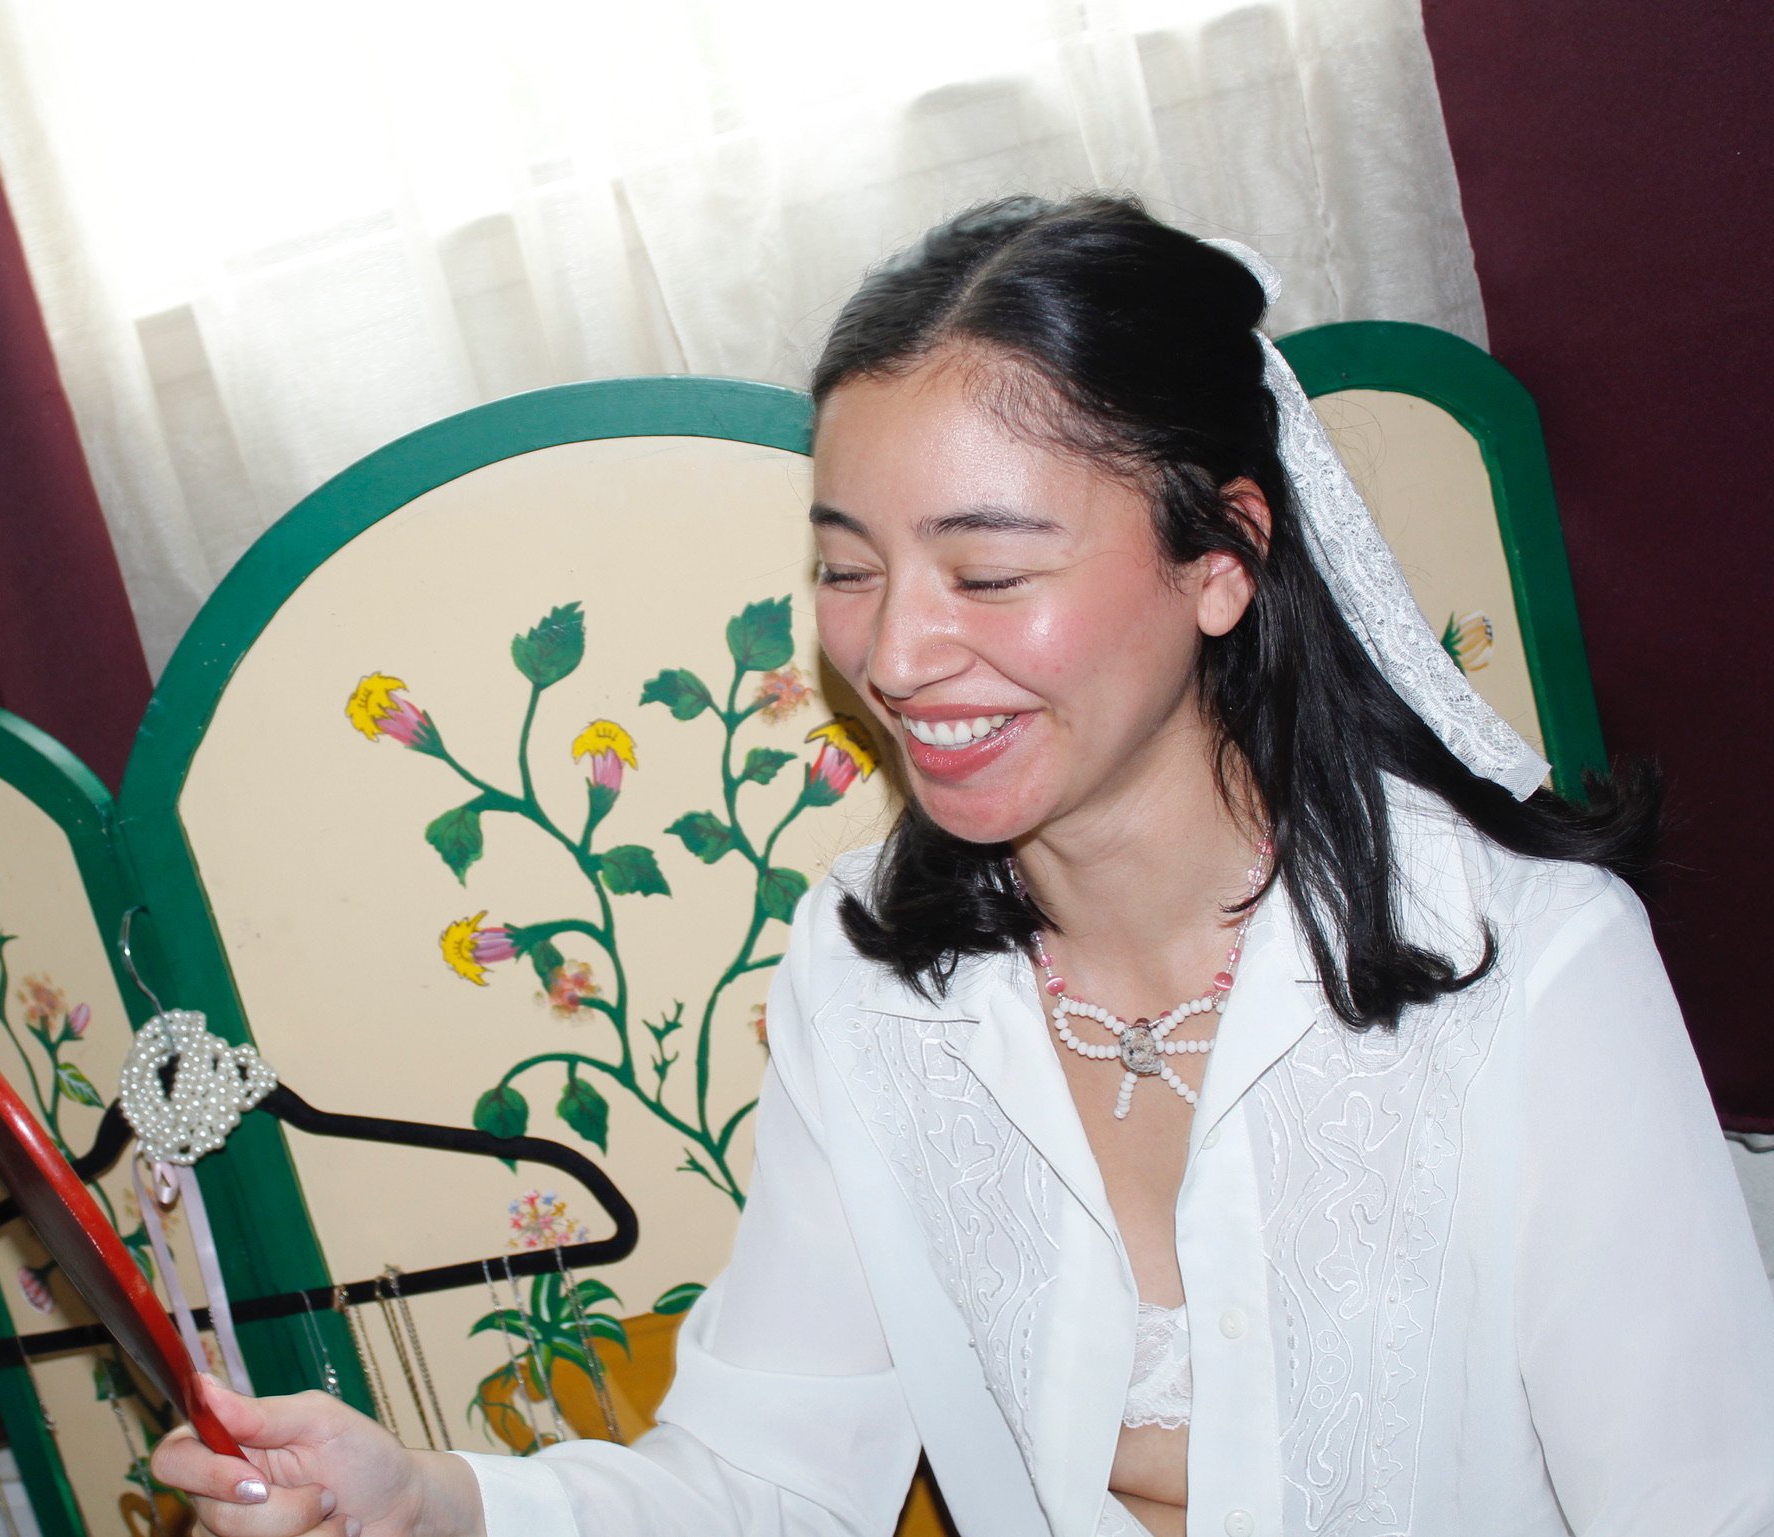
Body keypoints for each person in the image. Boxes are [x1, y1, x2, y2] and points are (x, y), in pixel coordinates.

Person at [149, 196, 1774, 1537]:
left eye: (987, 569)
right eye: (846, 570)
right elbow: (766, 1477)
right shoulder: (865, 971)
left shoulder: (1528, 968)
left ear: (1222, 558)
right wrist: (429, 1498)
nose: (900, 652)